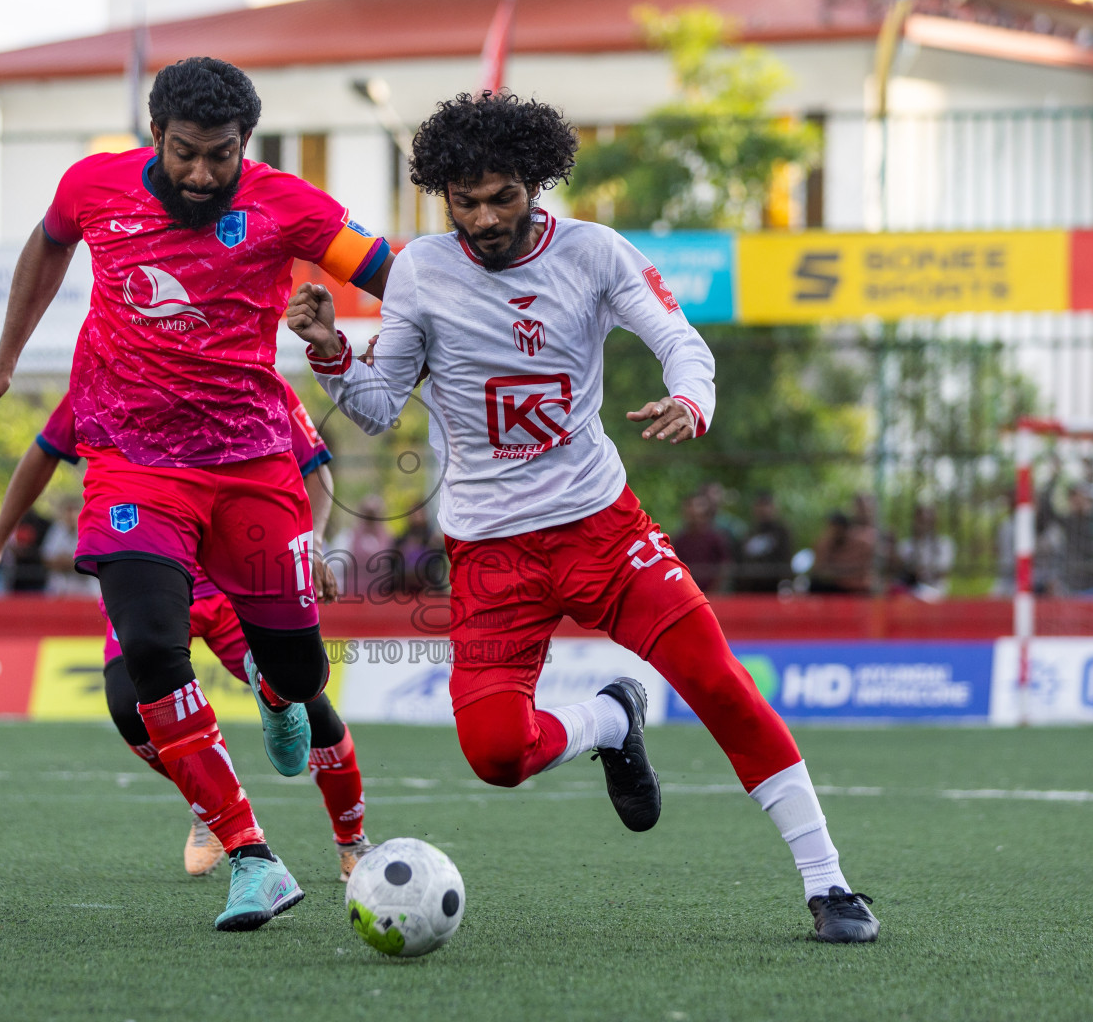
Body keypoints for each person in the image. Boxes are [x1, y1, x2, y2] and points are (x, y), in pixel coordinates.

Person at [290, 91, 877, 942]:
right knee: (494, 755)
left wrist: (690, 398)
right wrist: (332, 350)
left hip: (601, 529)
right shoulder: (421, 269)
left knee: (719, 683)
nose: (484, 218)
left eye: (502, 197)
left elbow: (682, 341)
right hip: (489, 552)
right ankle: (609, 719)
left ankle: (829, 886)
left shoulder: (595, 253)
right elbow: (379, 408)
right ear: (441, 196)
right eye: (465, 201)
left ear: (537, 183)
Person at [0, 57, 393, 930]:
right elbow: (47, 245)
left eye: (219, 157)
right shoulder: (92, 186)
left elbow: (385, 268)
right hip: (134, 468)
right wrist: (6, 359)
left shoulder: (288, 204)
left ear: (245, 146)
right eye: (186, 153)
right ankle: (250, 856)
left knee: (300, 674)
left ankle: (275, 694)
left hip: (254, 466)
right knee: (150, 657)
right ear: (156, 136)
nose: (201, 173)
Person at [0, 379, 373, 881]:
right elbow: (44, 452)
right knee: (128, 706)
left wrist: (314, 542)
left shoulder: (246, 371)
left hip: (231, 581)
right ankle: (212, 805)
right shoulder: (114, 368)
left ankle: (353, 841)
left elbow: (313, 465)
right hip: (150, 570)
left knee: (307, 699)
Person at [733, 490, 793, 593]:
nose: (763, 509)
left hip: (773, 587)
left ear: (774, 508)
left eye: (766, 505)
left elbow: (786, 558)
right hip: (749, 588)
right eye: (759, 505)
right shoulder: (748, 533)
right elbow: (740, 558)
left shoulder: (782, 532)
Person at [672, 491, 731, 593]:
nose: (693, 511)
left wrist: (714, 592)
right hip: (687, 594)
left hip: (713, 596)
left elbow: (725, 567)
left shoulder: (716, 538)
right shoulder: (678, 540)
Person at [40, 496, 98, 597]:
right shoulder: (57, 529)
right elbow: (47, 558)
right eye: (68, 510)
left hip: (86, 591)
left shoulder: (91, 530)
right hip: (59, 590)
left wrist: (69, 562)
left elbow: (92, 563)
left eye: (74, 510)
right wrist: (73, 562)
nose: (70, 514)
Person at [896, 504, 955, 599]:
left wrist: (924, 574)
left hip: (937, 592)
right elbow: (902, 572)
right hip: (911, 593)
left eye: (928, 520)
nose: (924, 524)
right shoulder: (906, 545)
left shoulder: (944, 544)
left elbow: (943, 572)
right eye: (921, 520)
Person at [810, 512, 874, 594]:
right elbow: (818, 569)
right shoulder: (826, 543)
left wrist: (838, 572)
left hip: (854, 586)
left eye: (835, 527)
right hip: (833, 585)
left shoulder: (861, 545)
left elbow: (863, 570)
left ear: (844, 528)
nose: (832, 530)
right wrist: (826, 545)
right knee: (815, 583)